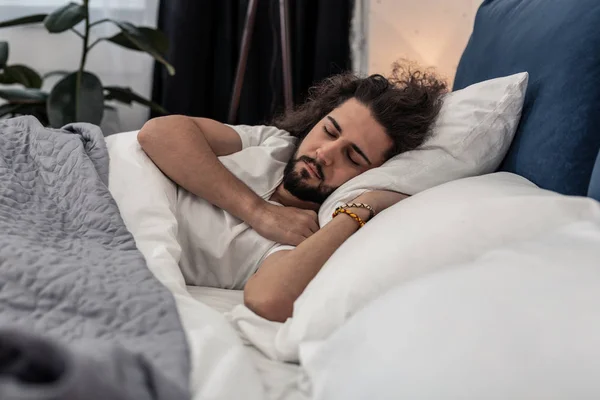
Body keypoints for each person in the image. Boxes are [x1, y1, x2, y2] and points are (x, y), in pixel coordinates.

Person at [138, 62, 447, 322]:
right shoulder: (275, 143)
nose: (325, 153)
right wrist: (258, 212)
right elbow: (159, 133)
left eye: (352, 157)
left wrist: (362, 208)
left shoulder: (306, 234)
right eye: (329, 130)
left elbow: (268, 300)